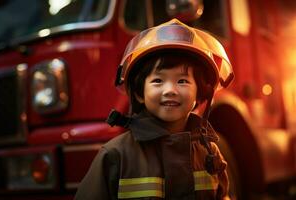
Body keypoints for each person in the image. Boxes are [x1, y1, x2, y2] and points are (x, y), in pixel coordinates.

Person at [75, 18, 234, 200]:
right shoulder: (115, 155)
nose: (170, 91)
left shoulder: (210, 153)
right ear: (139, 93)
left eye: (182, 81)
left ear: (200, 94)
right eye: (158, 81)